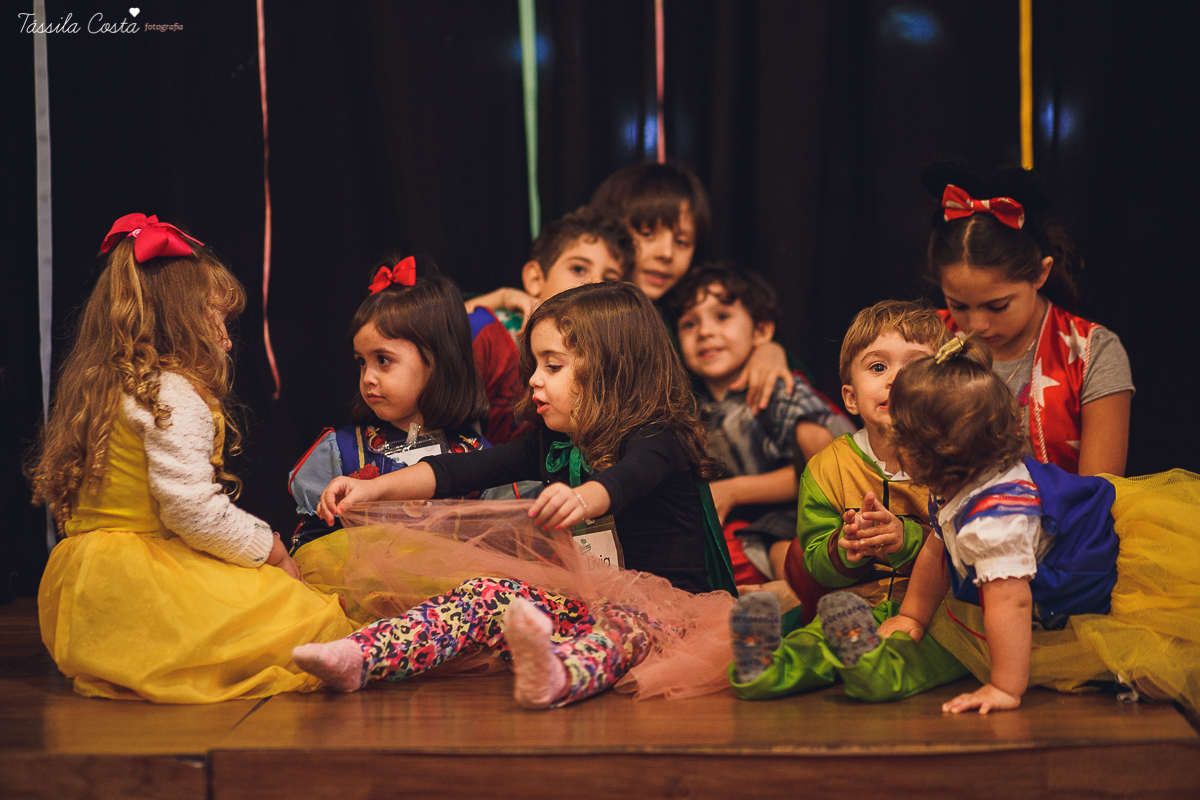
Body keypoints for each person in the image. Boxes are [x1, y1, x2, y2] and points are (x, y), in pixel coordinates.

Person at [291, 282, 737, 708]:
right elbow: (459, 470)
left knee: (627, 627)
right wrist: (374, 487)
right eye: (534, 367)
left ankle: (560, 674)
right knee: (486, 592)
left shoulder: (658, 437)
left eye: (553, 366)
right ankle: (361, 656)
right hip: (592, 605)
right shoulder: (549, 441)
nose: (534, 382)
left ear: (611, 368)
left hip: (672, 617)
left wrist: (584, 498)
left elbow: (629, 478)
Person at [746, 335, 1200, 715]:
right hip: (1044, 565)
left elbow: (1010, 604)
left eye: (901, 440)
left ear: (929, 454)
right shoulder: (958, 482)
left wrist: (1005, 686)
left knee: (1154, 665)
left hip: (1104, 570)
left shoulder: (996, 519)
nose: (893, 451)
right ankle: (773, 666)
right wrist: (911, 615)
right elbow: (936, 548)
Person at [29, 213, 354, 703]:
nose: (226, 337)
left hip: (88, 592)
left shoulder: (101, 389)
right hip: (146, 584)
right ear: (181, 319)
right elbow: (192, 512)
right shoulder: (171, 394)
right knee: (311, 616)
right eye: (217, 318)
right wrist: (271, 549)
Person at [725, 301, 958, 700]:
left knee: (922, 653)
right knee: (813, 642)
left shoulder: (957, 459)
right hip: (851, 608)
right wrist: (844, 550)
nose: (894, 380)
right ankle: (760, 666)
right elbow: (812, 559)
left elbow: (967, 548)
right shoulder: (828, 466)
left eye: (915, 366)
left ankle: (868, 667)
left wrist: (907, 541)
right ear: (850, 398)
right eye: (878, 367)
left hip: (935, 612)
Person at [922, 160, 1133, 476]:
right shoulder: (925, 337)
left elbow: (1097, 494)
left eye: (998, 306)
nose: (977, 325)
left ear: (1041, 273)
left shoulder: (1092, 353)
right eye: (959, 306)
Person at [288, 255, 493, 555]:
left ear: (437, 360)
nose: (368, 377)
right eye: (361, 362)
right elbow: (311, 545)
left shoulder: (478, 458)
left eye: (383, 360)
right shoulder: (341, 452)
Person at [671, 261, 855, 589]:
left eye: (722, 316)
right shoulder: (693, 410)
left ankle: (817, 597)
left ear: (761, 331)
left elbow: (823, 466)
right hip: (755, 525)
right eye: (689, 324)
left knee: (783, 549)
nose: (705, 332)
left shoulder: (774, 386)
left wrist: (734, 491)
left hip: (811, 507)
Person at [465, 207, 634, 444]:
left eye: (609, 279)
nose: (594, 284)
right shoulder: (487, 333)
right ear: (536, 279)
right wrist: (502, 296)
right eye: (578, 269)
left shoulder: (616, 355)